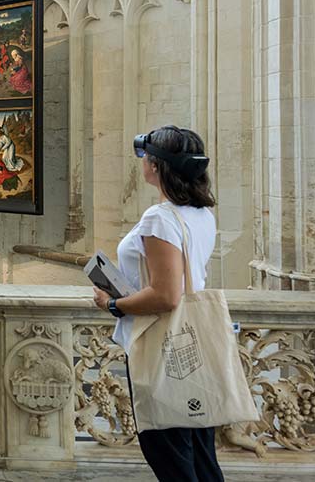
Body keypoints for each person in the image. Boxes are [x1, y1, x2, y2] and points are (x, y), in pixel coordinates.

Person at [92, 126, 221, 482]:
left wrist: (113, 303)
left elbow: (166, 295)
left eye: (146, 157)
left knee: (168, 451)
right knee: (198, 451)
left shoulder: (160, 218)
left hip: (162, 343)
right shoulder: (201, 214)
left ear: (157, 165)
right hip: (194, 340)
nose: (143, 163)